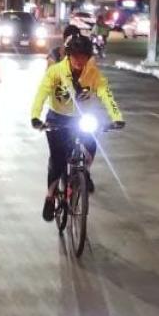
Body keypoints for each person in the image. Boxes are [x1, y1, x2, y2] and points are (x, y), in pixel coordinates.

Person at [30, 34, 124, 221]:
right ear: (68, 55)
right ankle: (50, 196)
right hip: (57, 119)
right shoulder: (55, 71)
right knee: (57, 161)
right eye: (76, 55)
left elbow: (106, 94)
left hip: (82, 119)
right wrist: (35, 116)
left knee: (91, 146)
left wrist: (116, 117)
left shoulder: (93, 73)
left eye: (84, 56)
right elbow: (42, 92)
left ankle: (83, 173)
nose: (79, 60)